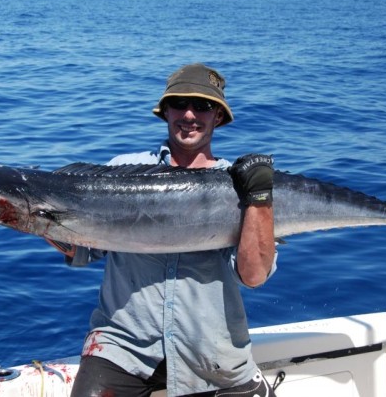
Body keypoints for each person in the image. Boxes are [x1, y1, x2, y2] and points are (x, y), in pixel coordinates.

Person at [48, 63, 278, 397]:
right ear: (165, 111)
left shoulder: (239, 184)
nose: (189, 114)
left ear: (218, 116)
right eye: (179, 104)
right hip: (122, 349)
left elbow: (254, 275)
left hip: (213, 355)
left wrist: (258, 200)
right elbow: (81, 248)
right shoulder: (119, 173)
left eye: (202, 106)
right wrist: (36, 217)